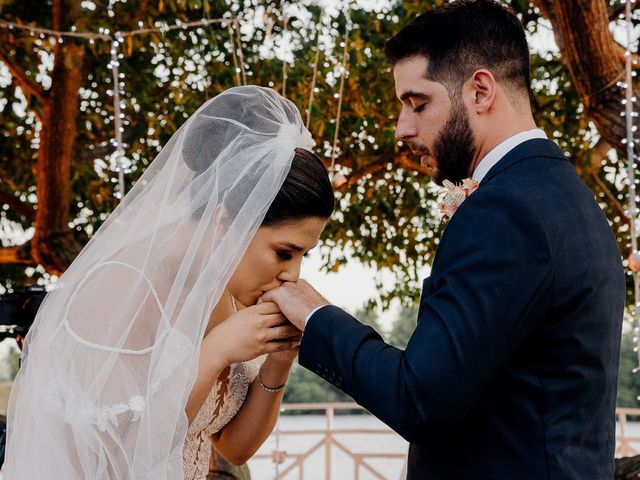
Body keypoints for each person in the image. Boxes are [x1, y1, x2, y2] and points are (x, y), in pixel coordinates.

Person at [261, 1, 625, 479]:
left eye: (418, 103)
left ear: (480, 90)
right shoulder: (563, 195)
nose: (403, 128)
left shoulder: (506, 210)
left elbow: (420, 398)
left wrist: (315, 314)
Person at [4, 85, 334, 479]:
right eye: (284, 252)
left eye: (302, 256)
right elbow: (112, 465)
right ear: (228, 223)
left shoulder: (230, 294)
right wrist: (214, 352)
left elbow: (234, 446)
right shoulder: (122, 286)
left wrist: (279, 362)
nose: (293, 275)